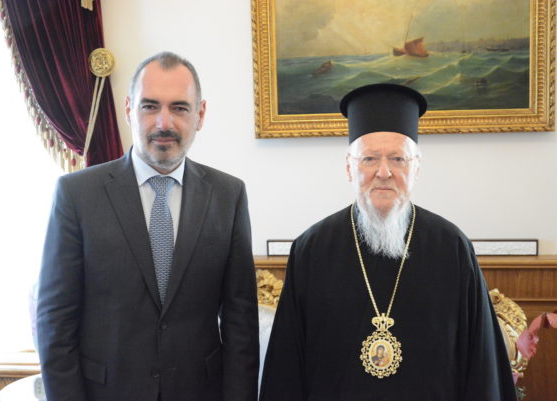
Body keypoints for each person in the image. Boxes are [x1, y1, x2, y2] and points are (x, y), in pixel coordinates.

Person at [260, 83, 517, 401]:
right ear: (349, 168)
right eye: (369, 159)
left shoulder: (452, 247)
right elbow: (287, 366)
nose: (384, 172)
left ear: (416, 168)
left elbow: (481, 363)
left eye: (398, 159)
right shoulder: (312, 249)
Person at [37, 51, 259, 401]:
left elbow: (241, 323)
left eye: (179, 108)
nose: (163, 123)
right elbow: (55, 322)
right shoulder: (76, 195)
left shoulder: (228, 196)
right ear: (129, 109)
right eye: (150, 106)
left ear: (200, 115)